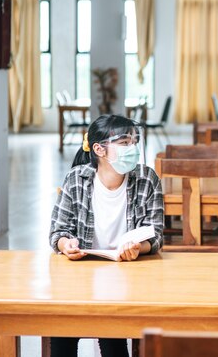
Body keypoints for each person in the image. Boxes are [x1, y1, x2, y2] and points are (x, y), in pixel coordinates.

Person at [49, 114, 164, 357]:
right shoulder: (76, 179)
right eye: (124, 143)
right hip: (81, 275)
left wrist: (137, 248)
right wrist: (65, 243)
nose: (132, 148)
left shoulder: (147, 179)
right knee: (62, 333)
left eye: (135, 141)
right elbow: (58, 231)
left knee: (114, 341)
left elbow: (155, 235)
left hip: (127, 276)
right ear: (100, 149)